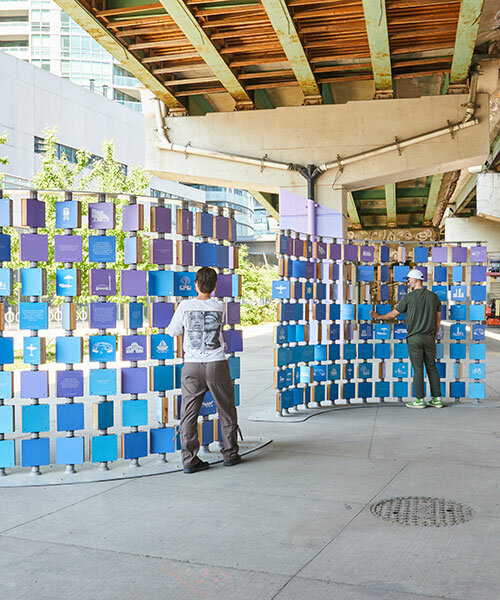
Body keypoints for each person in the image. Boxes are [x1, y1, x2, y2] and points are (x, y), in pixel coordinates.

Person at [166, 266, 241, 473]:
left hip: (191, 365)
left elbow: (171, 331)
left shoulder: (185, 305)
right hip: (216, 364)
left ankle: (189, 460)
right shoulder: (220, 306)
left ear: (195, 285)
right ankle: (230, 454)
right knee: (226, 410)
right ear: (215, 286)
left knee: (188, 414)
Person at [370, 268, 443, 409]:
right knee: (432, 368)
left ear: (415, 280)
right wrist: (433, 336)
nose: (407, 282)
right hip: (429, 338)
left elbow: (393, 315)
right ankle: (437, 399)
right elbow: (438, 321)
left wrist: (378, 316)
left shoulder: (408, 298)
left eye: (408, 280)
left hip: (414, 338)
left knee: (418, 369)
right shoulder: (434, 297)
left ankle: (420, 400)